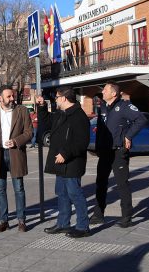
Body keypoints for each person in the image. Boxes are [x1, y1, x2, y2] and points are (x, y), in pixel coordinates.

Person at [36, 87, 91, 238]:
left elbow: (81, 142)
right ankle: (63, 224)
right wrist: (41, 107)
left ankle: (83, 226)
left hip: (72, 163)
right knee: (62, 194)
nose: (55, 99)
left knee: (75, 194)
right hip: (60, 163)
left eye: (57, 97)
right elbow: (46, 123)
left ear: (64, 98)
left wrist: (66, 154)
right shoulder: (61, 114)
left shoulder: (79, 116)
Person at [91, 81, 146, 228]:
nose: (103, 92)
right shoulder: (103, 107)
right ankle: (98, 214)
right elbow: (101, 130)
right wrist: (97, 147)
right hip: (104, 151)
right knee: (100, 184)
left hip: (118, 151)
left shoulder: (124, 106)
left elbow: (141, 119)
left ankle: (126, 217)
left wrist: (128, 136)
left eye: (105, 90)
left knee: (122, 185)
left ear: (113, 93)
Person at [0, 85, 33, 232]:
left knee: (19, 188)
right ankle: (3, 221)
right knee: (0, 189)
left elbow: (29, 133)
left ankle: (21, 220)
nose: (12, 99)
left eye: (13, 96)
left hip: (15, 153)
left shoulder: (22, 110)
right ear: (0, 98)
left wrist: (16, 141)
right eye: (8, 96)